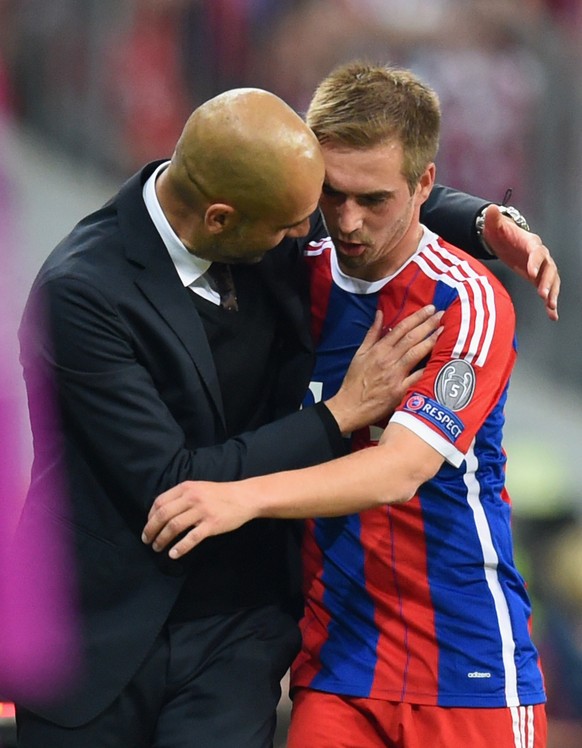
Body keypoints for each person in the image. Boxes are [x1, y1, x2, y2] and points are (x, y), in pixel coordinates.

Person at [14, 82, 556, 747]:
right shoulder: (98, 289)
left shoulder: (456, 298)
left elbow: (400, 469)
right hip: (224, 649)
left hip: (427, 655)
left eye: (364, 202)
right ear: (226, 217)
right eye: (319, 207)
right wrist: (340, 415)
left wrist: (481, 220)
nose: (333, 227)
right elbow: (173, 483)